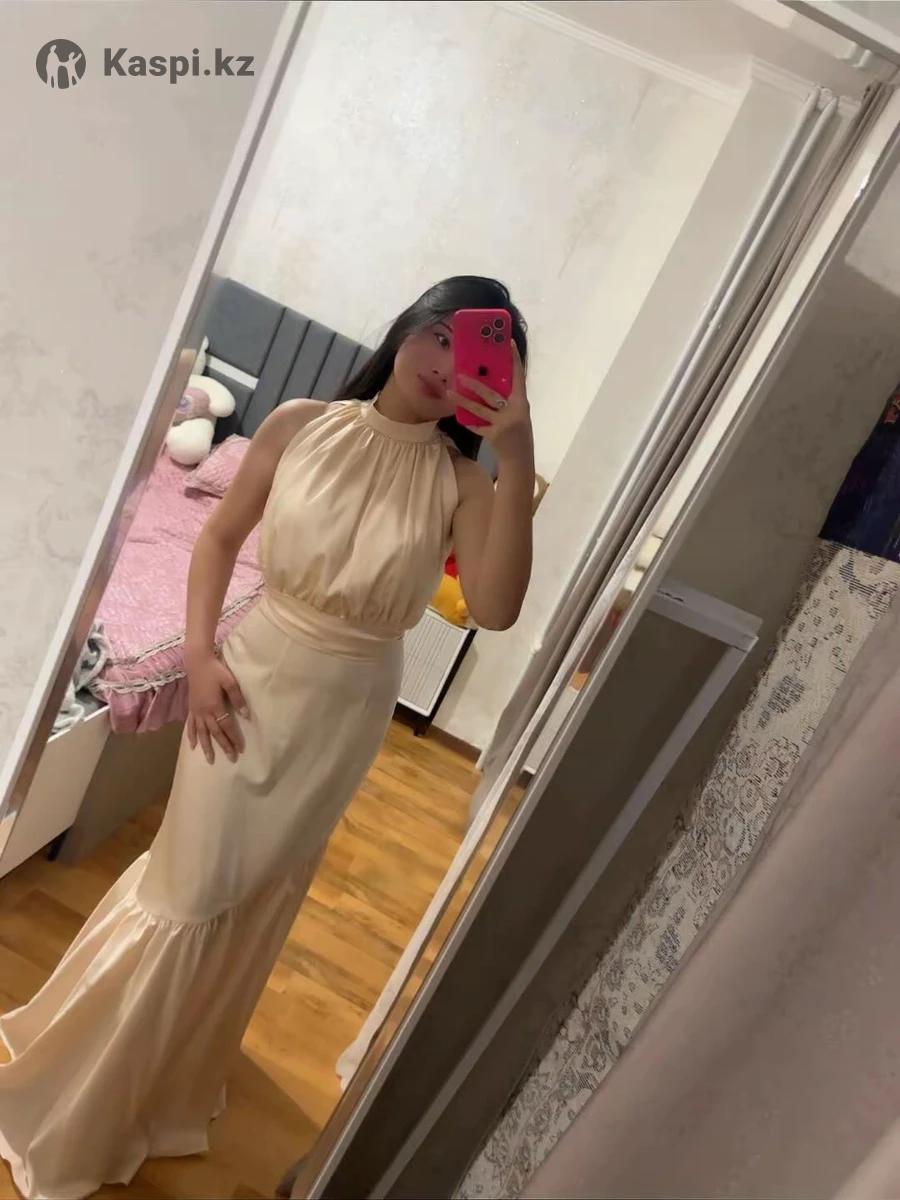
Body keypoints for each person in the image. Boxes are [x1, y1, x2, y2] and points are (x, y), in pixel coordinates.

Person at [0, 275, 535, 1200]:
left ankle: (165, 1086)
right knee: (189, 885)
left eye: (476, 354)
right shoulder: (297, 424)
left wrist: (516, 457)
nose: (448, 364)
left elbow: (493, 607)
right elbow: (215, 540)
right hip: (252, 677)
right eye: (439, 335)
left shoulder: (462, 484)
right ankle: (78, 1097)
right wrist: (198, 655)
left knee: (254, 897)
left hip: (346, 709)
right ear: (407, 328)